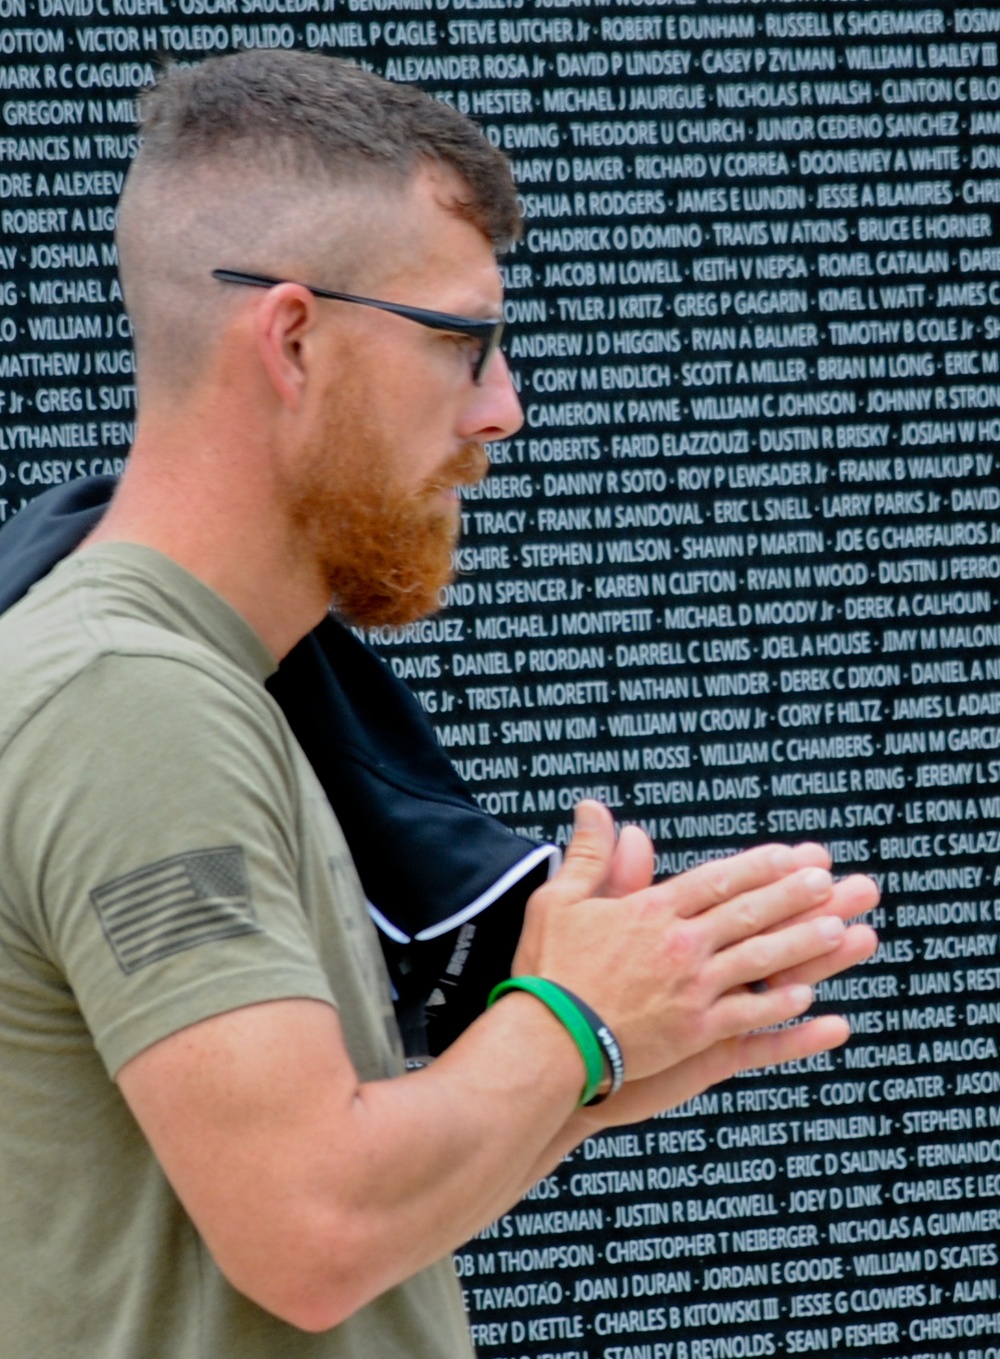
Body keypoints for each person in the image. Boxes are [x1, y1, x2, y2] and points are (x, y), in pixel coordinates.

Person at [0, 50, 879, 1359]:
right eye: (465, 345)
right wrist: (568, 1023)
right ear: (293, 339)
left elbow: (315, 1199)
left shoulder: (181, 677)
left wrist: (595, 1062)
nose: (504, 412)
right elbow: (311, 1229)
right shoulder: (132, 704)